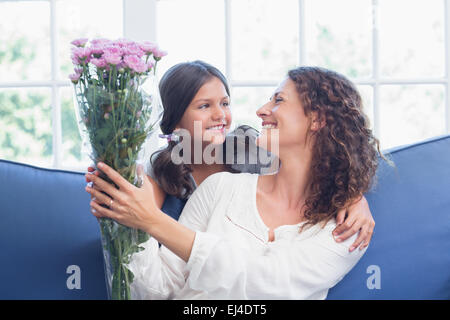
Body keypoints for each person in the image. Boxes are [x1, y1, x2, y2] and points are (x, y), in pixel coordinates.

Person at [85, 66, 380, 299]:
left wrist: (152, 221)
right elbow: (156, 292)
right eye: (204, 106)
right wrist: (128, 219)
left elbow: (269, 284)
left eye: (278, 100)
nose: (261, 110)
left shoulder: (347, 229)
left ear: (317, 120)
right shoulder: (217, 188)